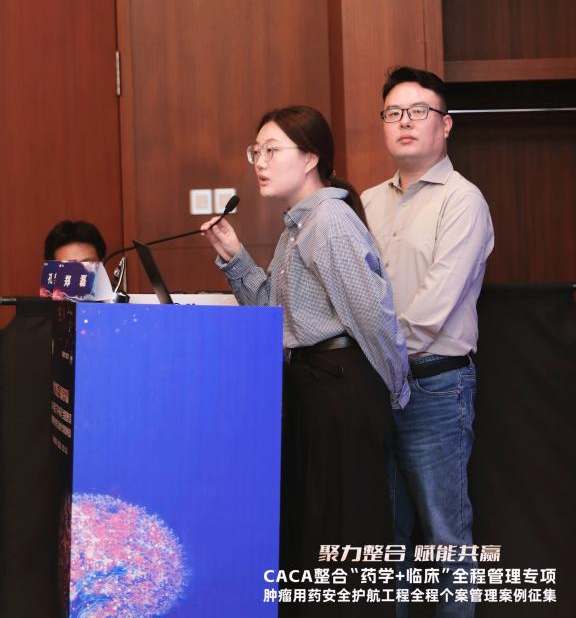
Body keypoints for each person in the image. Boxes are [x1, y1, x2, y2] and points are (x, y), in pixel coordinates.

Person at [201, 105, 409, 616]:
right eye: (256, 151)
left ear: (311, 156)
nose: (260, 162)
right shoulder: (298, 226)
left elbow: (373, 318)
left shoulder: (329, 222)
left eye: (272, 150)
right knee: (317, 536)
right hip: (315, 389)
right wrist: (235, 257)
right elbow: (274, 315)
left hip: (341, 391)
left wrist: (394, 392)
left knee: (345, 541)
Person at [361, 67, 494, 617]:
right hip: (374, 386)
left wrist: (378, 354)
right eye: (393, 113)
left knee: (444, 537)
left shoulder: (463, 201)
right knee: (384, 537)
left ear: (446, 124)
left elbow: (435, 305)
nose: (405, 122)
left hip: (436, 386)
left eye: (419, 112)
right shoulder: (365, 202)